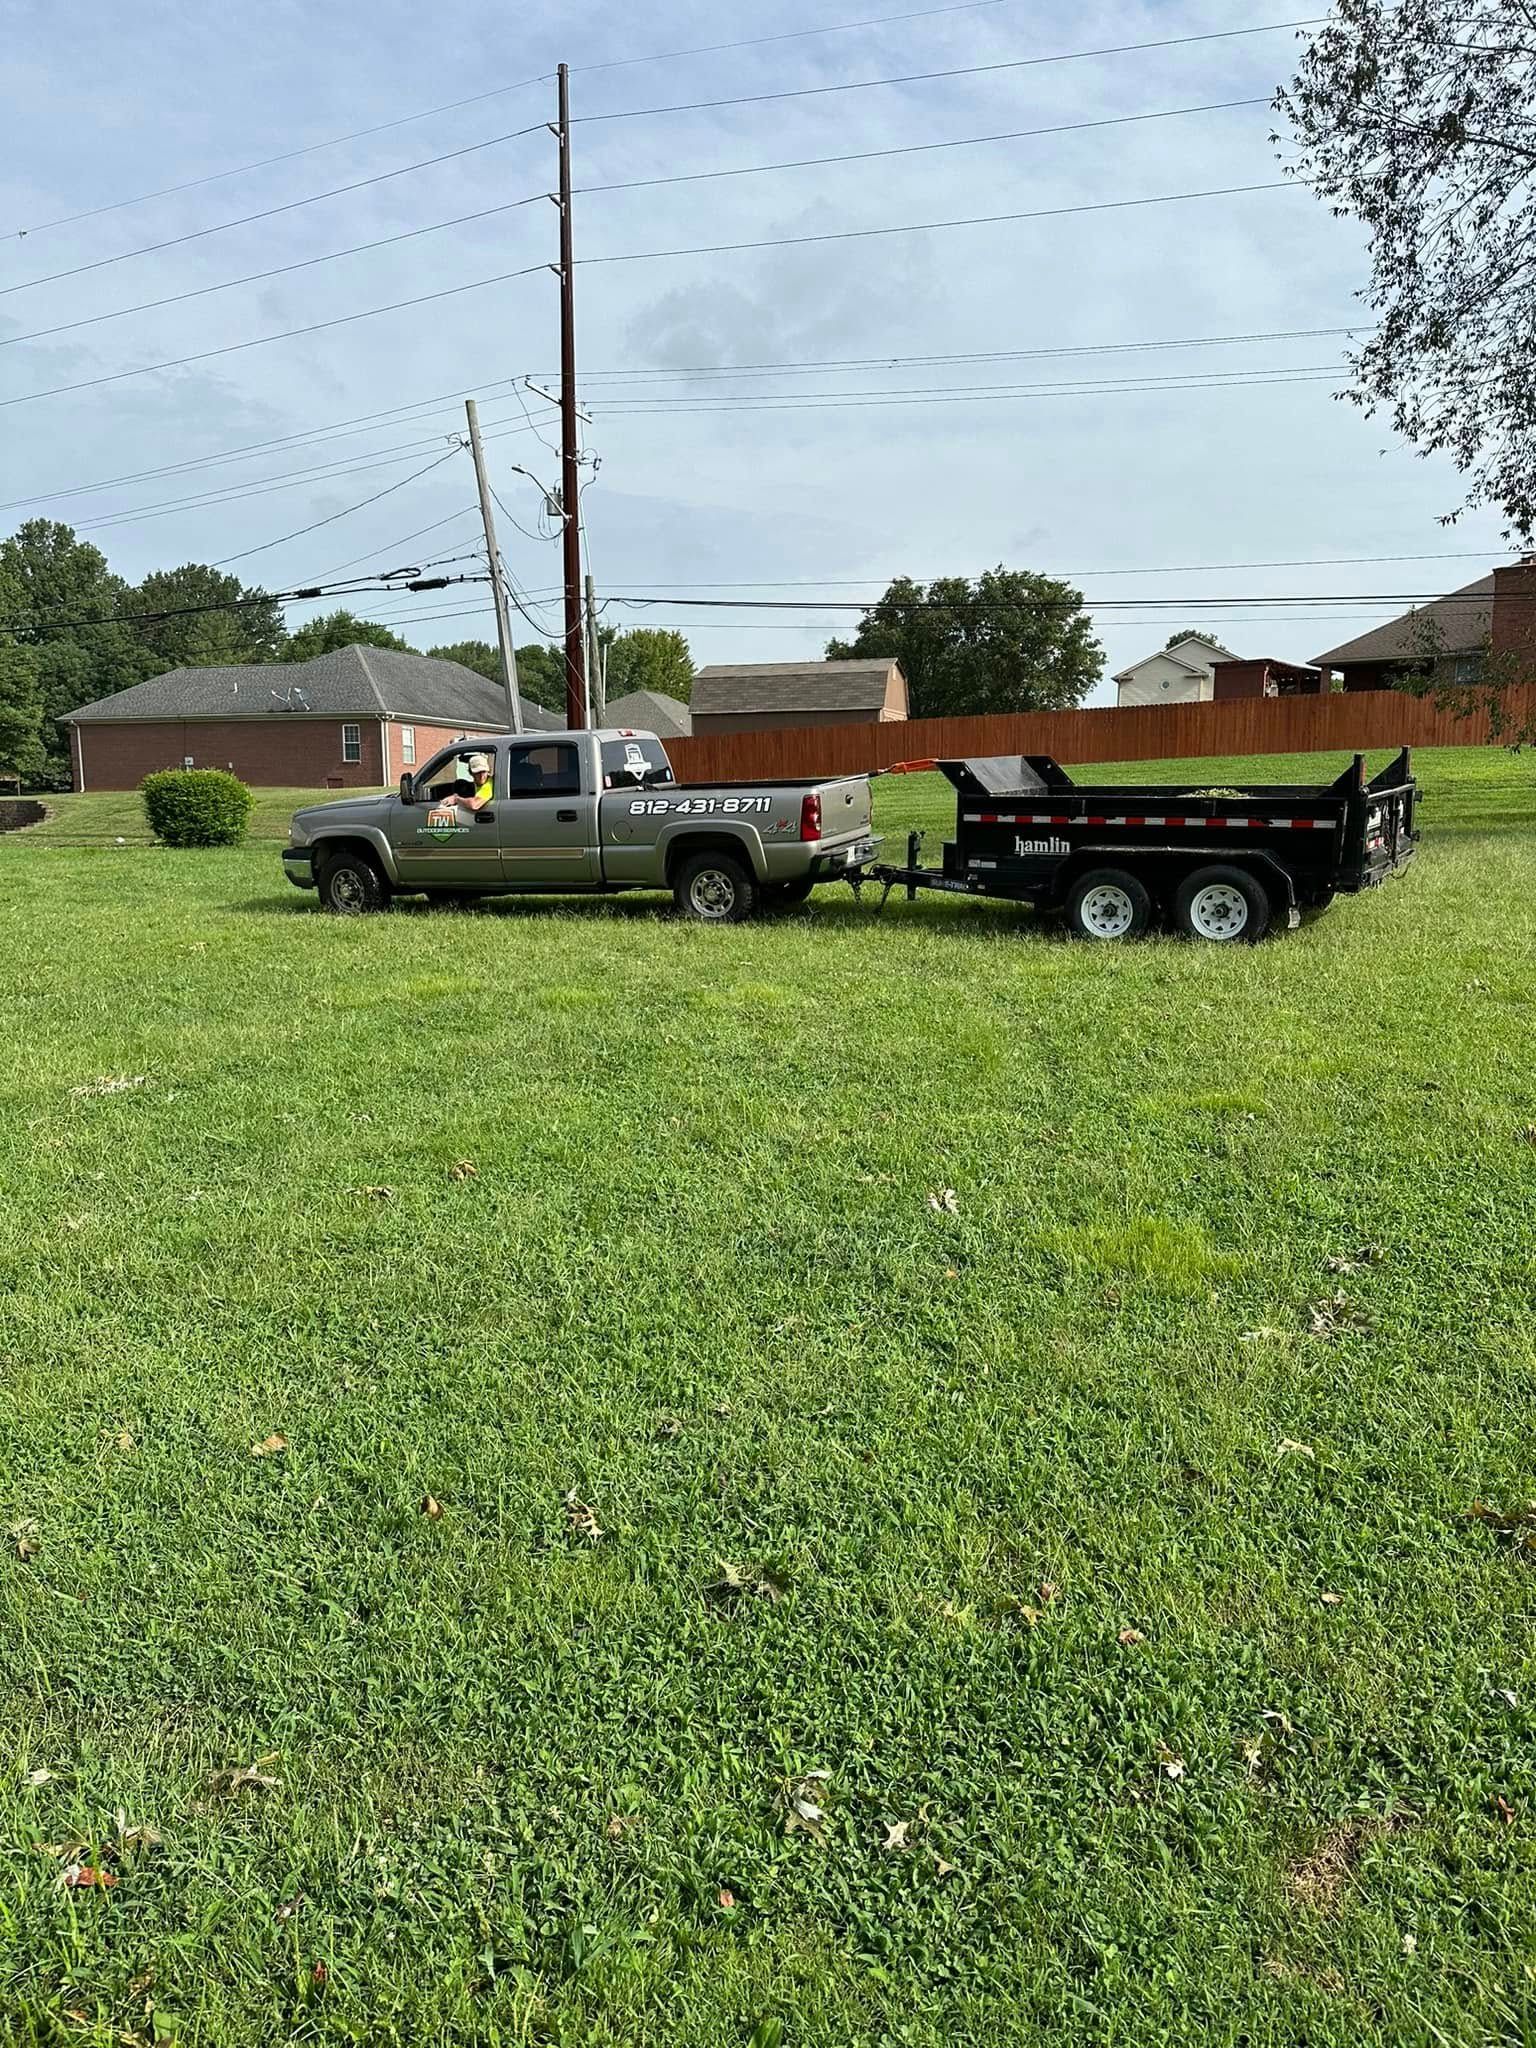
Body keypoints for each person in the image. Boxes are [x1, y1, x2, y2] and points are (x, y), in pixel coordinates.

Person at [440, 751, 495, 816]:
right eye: (478, 772)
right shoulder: (474, 785)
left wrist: (456, 799)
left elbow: (474, 804)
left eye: (484, 771)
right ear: (471, 773)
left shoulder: (488, 785)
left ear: (488, 771)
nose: (481, 776)